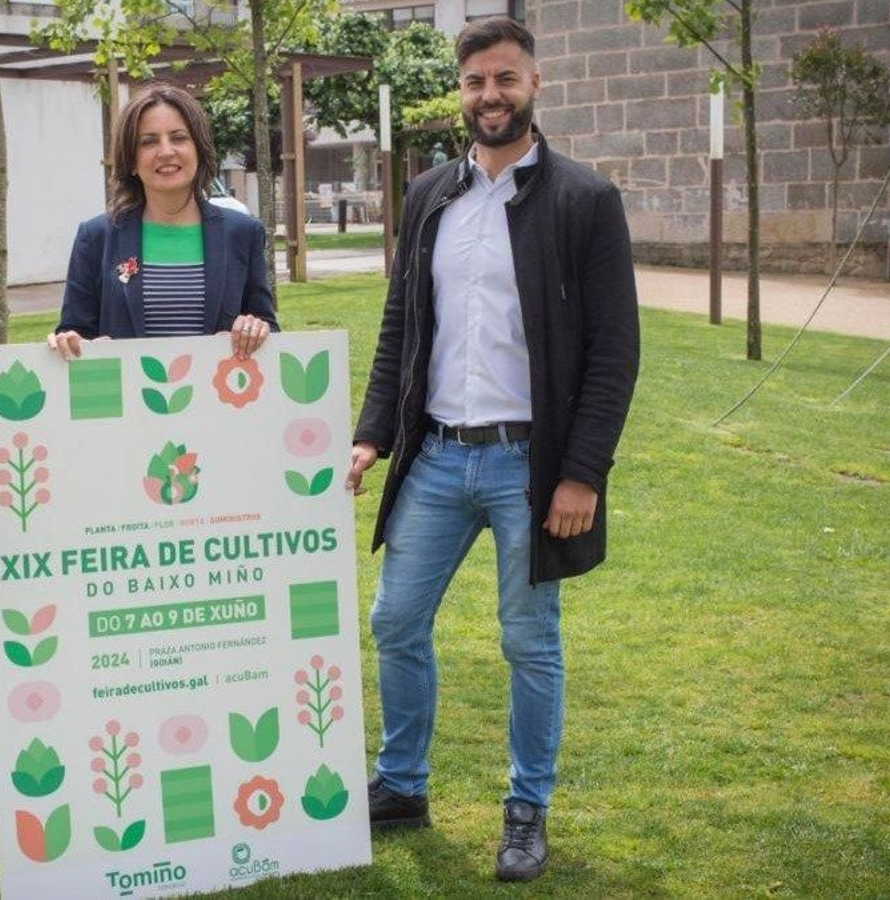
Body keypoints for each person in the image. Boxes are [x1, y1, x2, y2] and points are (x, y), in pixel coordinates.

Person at [345, 17, 639, 884]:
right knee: (395, 621)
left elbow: (615, 351)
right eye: (475, 81)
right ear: (461, 91)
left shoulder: (586, 200)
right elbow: (402, 327)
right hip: (437, 457)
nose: (490, 95)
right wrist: (372, 433)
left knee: (528, 640)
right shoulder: (429, 195)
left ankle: (525, 809)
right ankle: (403, 785)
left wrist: (582, 472)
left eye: (506, 78)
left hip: (529, 466)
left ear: (535, 83)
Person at [48, 83, 278, 360]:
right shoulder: (96, 237)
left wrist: (255, 329)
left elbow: (269, 331)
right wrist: (70, 341)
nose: (166, 151)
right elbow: (74, 332)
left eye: (179, 138)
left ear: (199, 150)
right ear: (131, 161)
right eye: (149, 142)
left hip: (220, 387)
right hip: (126, 389)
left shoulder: (243, 233)